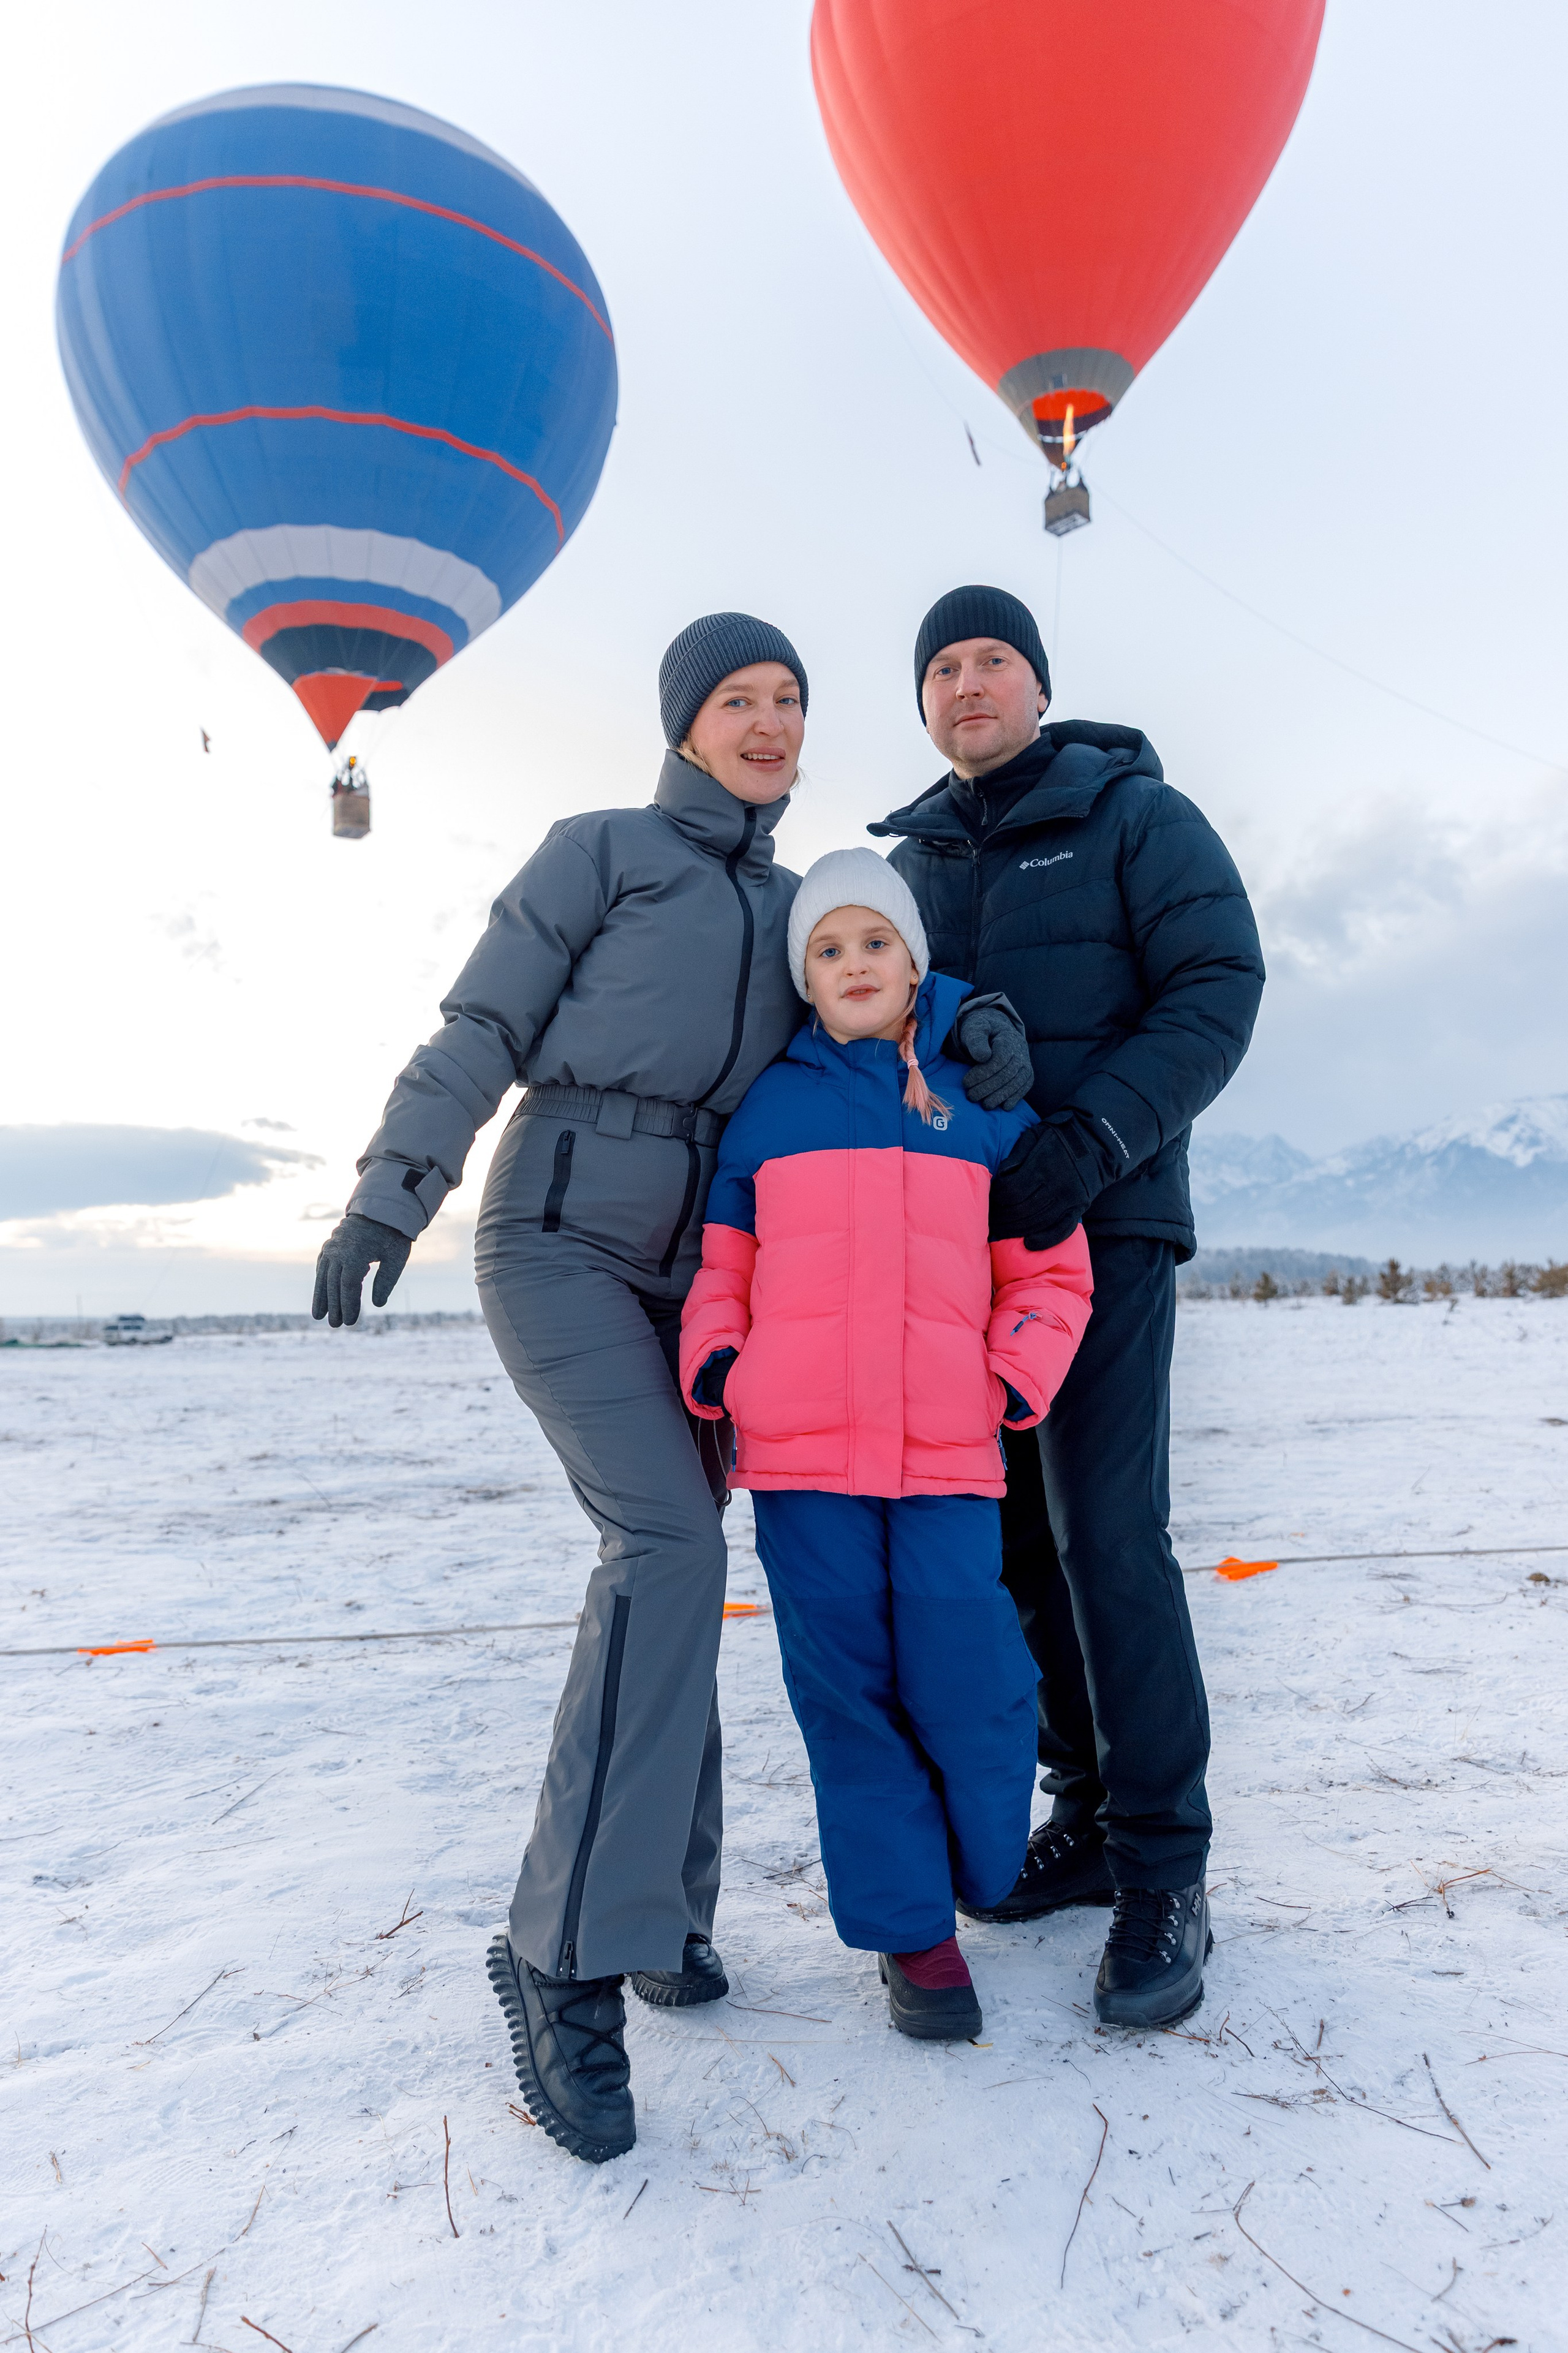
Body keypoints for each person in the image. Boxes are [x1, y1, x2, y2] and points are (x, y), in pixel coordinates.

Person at [310, 618, 1035, 2165]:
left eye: (789, 699)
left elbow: (870, 993)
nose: (769, 722)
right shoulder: (603, 852)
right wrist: (393, 1188)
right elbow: (483, 1024)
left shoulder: (792, 909)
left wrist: (966, 1021)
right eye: (736, 700)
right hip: (561, 1242)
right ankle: (560, 1954)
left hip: (702, 1279)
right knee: (670, 1550)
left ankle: (662, 1913)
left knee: (672, 1578)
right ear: (683, 723)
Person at [871, 585, 1265, 2030]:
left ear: (1035, 684)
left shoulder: (1131, 816)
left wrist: (1095, 1137)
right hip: (954, 1253)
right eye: (942, 668)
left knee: (1107, 1532)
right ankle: (1090, 1813)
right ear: (921, 702)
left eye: (992, 661)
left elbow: (1216, 983)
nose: (967, 684)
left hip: (1102, 1219)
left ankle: (1166, 1866)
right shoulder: (902, 857)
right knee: (1009, 1538)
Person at [679, 850, 1092, 2041]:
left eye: (874, 942)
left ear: (916, 960)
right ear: (800, 976)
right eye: (827, 947)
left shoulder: (982, 1103)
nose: (852, 963)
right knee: (845, 1699)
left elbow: (1049, 1271)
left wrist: (1010, 1376)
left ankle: (978, 1863)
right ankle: (915, 1938)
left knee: (975, 1684)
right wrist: (719, 1362)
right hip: (801, 1468)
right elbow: (724, 1267)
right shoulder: (767, 1108)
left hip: (950, 1459)